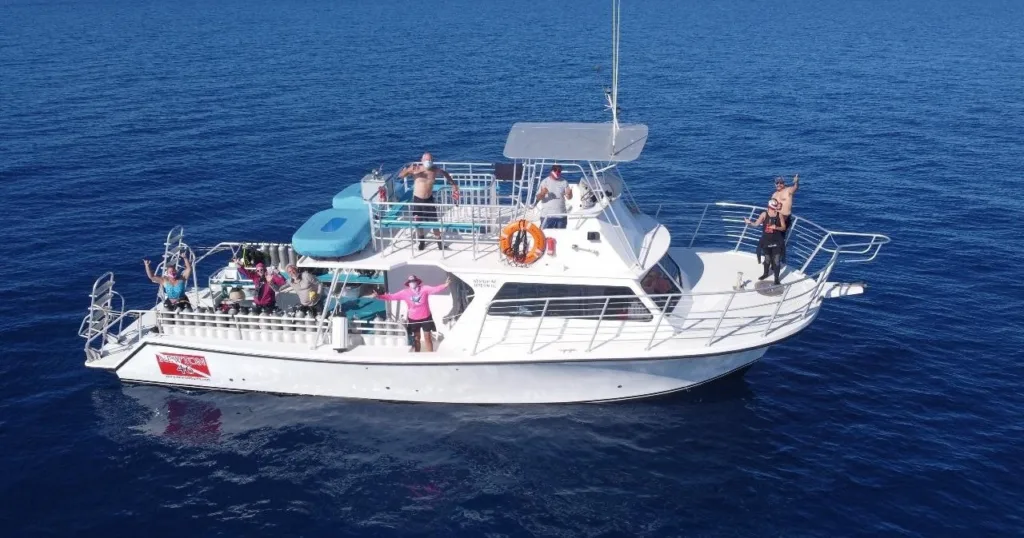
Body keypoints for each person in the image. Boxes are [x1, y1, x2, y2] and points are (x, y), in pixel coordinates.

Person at [371, 274, 450, 352]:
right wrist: (379, 296)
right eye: (410, 282)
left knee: (427, 338)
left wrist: (445, 285)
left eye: (413, 281)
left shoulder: (424, 289)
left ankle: (430, 357)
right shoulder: (404, 292)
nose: (412, 283)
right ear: (408, 284)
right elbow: (392, 297)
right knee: (416, 338)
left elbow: (435, 289)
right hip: (413, 319)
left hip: (426, 317)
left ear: (417, 282)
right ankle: (417, 356)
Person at [398, 152, 459, 251]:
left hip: (429, 199)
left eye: (430, 160)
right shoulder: (416, 170)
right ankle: (422, 241)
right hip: (418, 200)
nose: (428, 162)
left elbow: (445, 173)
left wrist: (453, 184)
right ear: (422, 160)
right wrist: (409, 169)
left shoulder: (435, 170)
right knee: (418, 222)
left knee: (434, 222)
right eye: (426, 160)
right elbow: (401, 176)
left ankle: (440, 243)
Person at [746, 199, 787, 285]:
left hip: (777, 241)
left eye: (775, 207)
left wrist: (775, 227)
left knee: (776, 260)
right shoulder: (764, 214)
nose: (774, 209)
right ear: (769, 207)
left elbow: (783, 227)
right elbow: (756, 224)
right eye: (773, 207)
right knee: (767, 258)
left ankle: (776, 279)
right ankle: (765, 274)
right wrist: (749, 223)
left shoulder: (779, 215)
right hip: (766, 240)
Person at [535, 164, 573, 229]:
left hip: (561, 216)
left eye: (559, 171)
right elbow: (538, 198)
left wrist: (569, 194)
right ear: (551, 171)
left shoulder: (564, 182)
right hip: (547, 216)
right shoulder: (545, 182)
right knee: (545, 237)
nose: (557, 172)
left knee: (560, 237)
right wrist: (542, 193)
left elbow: (569, 198)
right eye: (555, 170)